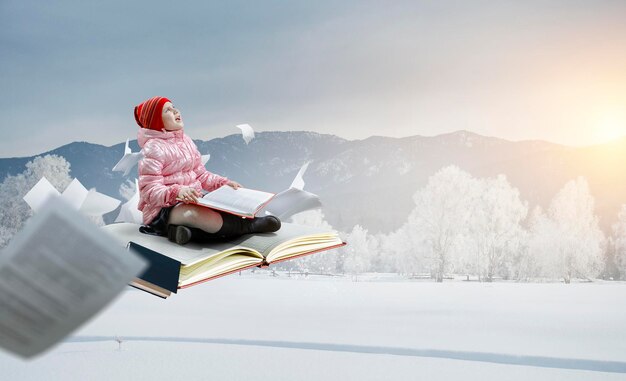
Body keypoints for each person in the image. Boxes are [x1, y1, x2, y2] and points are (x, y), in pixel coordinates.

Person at [134, 96, 280, 245]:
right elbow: (149, 191)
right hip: (163, 209)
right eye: (167, 110)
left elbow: (200, 174)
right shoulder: (153, 148)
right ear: (156, 121)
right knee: (197, 215)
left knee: (220, 210)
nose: (175, 111)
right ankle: (249, 226)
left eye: (174, 107)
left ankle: (185, 233)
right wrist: (176, 192)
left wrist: (222, 183)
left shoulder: (186, 141)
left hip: (194, 199)